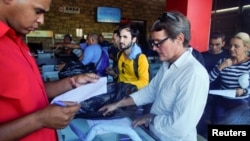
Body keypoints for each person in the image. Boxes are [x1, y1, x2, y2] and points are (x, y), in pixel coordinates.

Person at [99, 11, 209, 141]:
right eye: (153, 43)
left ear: (179, 38)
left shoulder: (193, 74)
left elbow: (180, 126)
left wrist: (151, 118)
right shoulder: (167, 64)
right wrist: (117, 104)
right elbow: (150, 92)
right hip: (155, 135)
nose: (154, 48)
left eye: (159, 42)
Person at [0, 0, 100, 140]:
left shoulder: (17, 41)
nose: (41, 20)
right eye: (38, 11)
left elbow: (33, 90)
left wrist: (71, 82)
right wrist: (40, 120)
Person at [208, 32, 250, 123]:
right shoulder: (224, 61)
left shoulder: (248, 64)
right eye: (230, 45)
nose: (231, 49)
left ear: (246, 47)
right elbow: (208, 80)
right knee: (217, 123)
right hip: (222, 100)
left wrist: (244, 91)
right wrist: (220, 67)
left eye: (236, 46)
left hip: (241, 101)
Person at [105, 23, 150, 90]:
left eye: (125, 37)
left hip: (132, 93)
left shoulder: (141, 58)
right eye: (120, 37)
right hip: (119, 91)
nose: (121, 40)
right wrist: (114, 74)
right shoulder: (119, 55)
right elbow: (122, 76)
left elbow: (144, 82)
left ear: (134, 39)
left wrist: (125, 86)